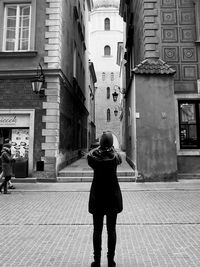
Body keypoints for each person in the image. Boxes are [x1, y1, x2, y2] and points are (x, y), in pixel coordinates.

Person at [87, 131, 123, 267]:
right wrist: (110, 148)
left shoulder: (93, 158)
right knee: (111, 230)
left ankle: (96, 261)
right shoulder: (116, 158)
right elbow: (118, 156)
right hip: (112, 196)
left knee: (97, 230)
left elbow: (90, 155)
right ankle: (110, 261)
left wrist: (100, 148)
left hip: (98, 196)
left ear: (100, 143)